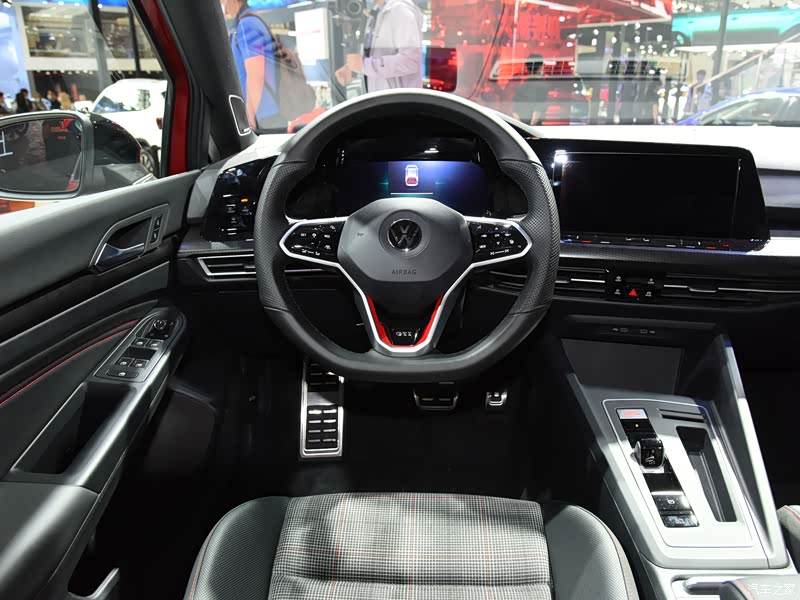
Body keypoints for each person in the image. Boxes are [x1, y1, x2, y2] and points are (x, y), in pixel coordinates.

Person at [220, 0, 283, 130]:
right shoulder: (247, 21)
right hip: (266, 114)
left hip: (263, 117)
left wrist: (248, 117)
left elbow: (256, 75)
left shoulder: (246, 25)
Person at [335, 0, 423, 92]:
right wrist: (353, 68)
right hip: (382, 98)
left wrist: (365, 65)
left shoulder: (400, 11)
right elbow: (377, 58)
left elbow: (410, 62)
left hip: (398, 99)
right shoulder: (377, 12)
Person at [512, 54, 547, 126]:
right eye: (543, 65)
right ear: (540, 67)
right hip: (534, 128)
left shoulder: (521, 87)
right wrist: (530, 128)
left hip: (521, 126)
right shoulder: (542, 87)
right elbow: (537, 113)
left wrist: (521, 127)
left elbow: (514, 111)